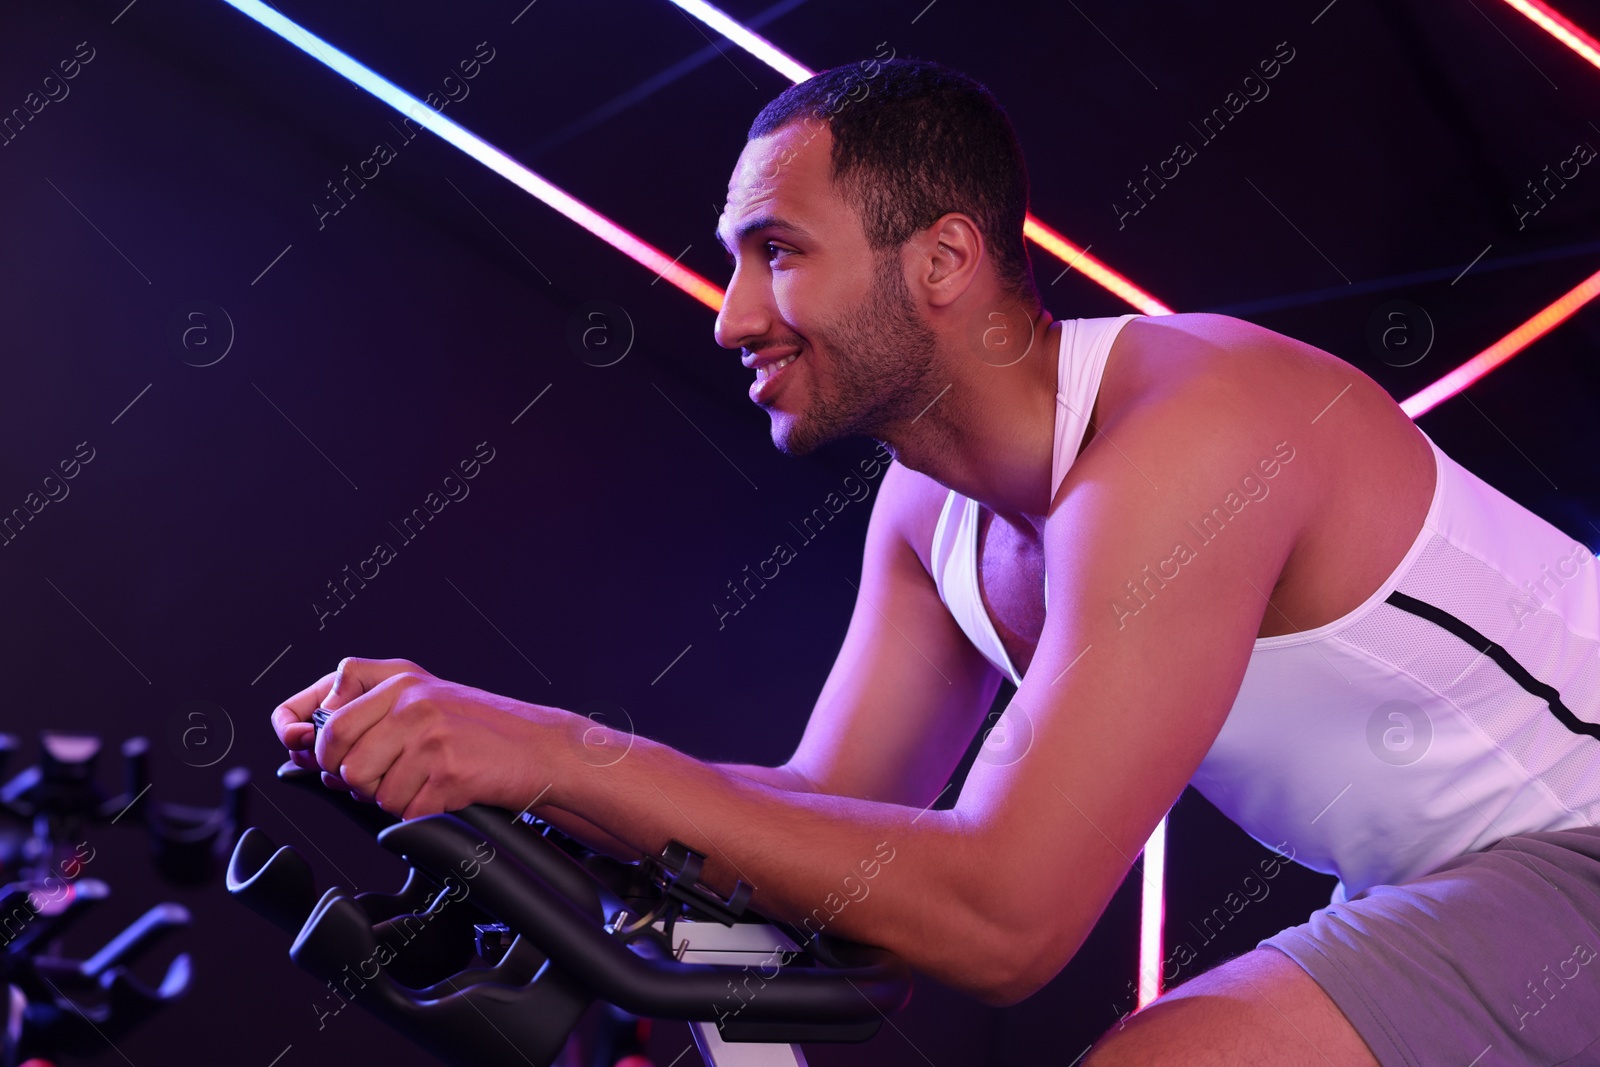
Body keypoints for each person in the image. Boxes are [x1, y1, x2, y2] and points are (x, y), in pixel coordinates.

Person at [272, 58, 1600, 1065]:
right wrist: (477, 776)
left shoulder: (1190, 431)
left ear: (946, 259)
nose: (732, 318)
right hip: (1449, 878)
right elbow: (822, 828)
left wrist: (554, 751)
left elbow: (1005, 921)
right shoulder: (932, 512)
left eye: (777, 255)